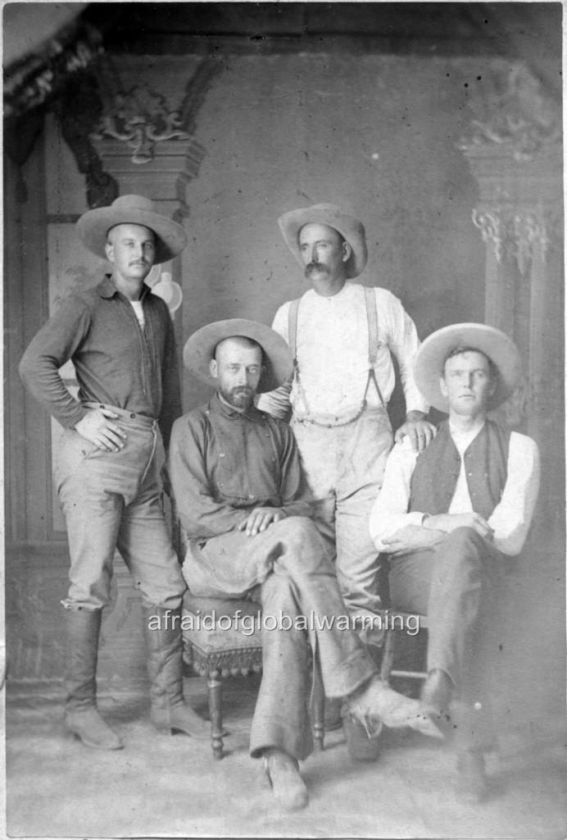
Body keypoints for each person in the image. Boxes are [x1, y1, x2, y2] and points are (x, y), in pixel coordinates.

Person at [169, 318, 440, 811]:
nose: (244, 379)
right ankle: (359, 687)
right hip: (213, 558)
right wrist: (261, 518)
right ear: (213, 370)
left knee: (288, 595)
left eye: (252, 369)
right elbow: (196, 514)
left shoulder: (277, 431)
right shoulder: (191, 428)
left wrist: (278, 514)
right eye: (233, 368)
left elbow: (299, 505)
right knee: (294, 536)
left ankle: (279, 756)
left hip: (271, 561)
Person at [19, 194, 208, 751]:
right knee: (90, 583)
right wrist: (78, 418)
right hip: (98, 458)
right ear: (110, 250)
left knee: (167, 585)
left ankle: (169, 704)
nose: (140, 252)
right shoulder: (84, 303)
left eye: (147, 245)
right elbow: (35, 364)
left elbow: (170, 394)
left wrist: (172, 465)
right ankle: (80, 709)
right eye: (129, 242)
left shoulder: (156, 311)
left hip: (148, 456)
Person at [368, 323, 540, 801]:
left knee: (467, 570)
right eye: (457, 374)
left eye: (478, 375)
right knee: (465, 557)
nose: (466, 383)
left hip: (484, 573)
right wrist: (451, 522)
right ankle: (470, 752)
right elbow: (381, 530)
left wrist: (443, 532)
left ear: (492, 385)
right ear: (441, 387)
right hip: (416, 579)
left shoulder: (520, 449)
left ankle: (440, 680)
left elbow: (510, 538)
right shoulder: (411, 445)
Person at [258, 203, 435, 632]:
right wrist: (256, 437)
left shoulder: (379, 303)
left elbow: (416, 362)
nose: (312, 256)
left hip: (367, 445)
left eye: (322, 245)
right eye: (305, 247)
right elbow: (277, 390)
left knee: (358, 579)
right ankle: (317, 690)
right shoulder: (290, 313)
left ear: (344, 251)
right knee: (309, 573)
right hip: (306, 451)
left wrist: (415, 414)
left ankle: (359, 695)